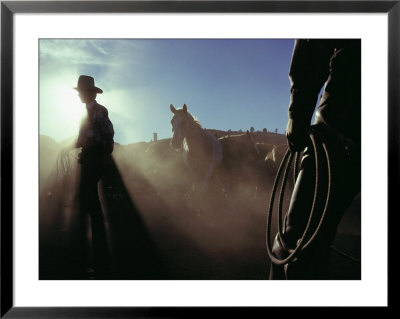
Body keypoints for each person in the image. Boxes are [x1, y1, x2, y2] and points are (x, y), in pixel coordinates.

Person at [269, 39, 361, 279]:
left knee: (298, 241)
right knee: (300, 240)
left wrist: (298, 114)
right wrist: (298, 112)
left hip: (343, 121)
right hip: (341, 124)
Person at [74, 75, 114, 278]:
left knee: (89, 199)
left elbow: (107, 133)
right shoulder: (87, 113)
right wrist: (76, 144)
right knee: (88, 200)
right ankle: (95, 249)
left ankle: (97, 253)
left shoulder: (99, 111)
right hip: (89, 157)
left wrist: (104, 154)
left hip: (95, 158)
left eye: (81, 92)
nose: (79, 94)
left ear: (89, 93)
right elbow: (84, 137)